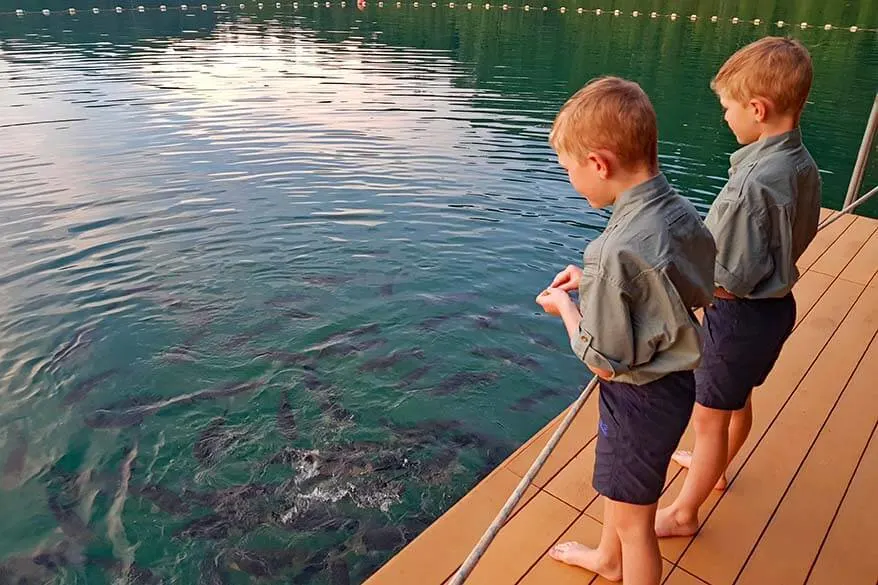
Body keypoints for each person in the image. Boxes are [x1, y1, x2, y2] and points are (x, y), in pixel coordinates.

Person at [535, 76, 715, 585]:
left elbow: (601, 360)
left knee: (637, 523)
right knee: (620, 492)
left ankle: (622, 563)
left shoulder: (611, 252)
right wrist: (594, 280)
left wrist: (567, 309)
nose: (571, 180)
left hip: (638, 398)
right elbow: (689, 275)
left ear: (599, 163)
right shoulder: (676, 207)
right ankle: (607, 560)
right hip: (675, 386)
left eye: (569, 169)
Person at [655, 37, 821, 538]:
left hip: (738, 316)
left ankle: (685, 512)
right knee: (737, 399)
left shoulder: (751, 186)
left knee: (708, 419)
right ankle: (719, 471)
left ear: (757, 109)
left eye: (728, 107)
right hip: (774, 309)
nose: (725, 117)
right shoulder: (802, 164)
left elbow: (730, 277)